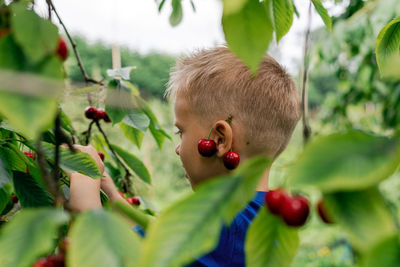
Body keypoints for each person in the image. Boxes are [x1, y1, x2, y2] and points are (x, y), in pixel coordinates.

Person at [67, 46, 301, 266]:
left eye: (181, 132)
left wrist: (85, 202)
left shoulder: (221, 224)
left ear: (219, 140)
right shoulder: (262, 218)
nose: (177, 148)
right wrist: (117, 201)